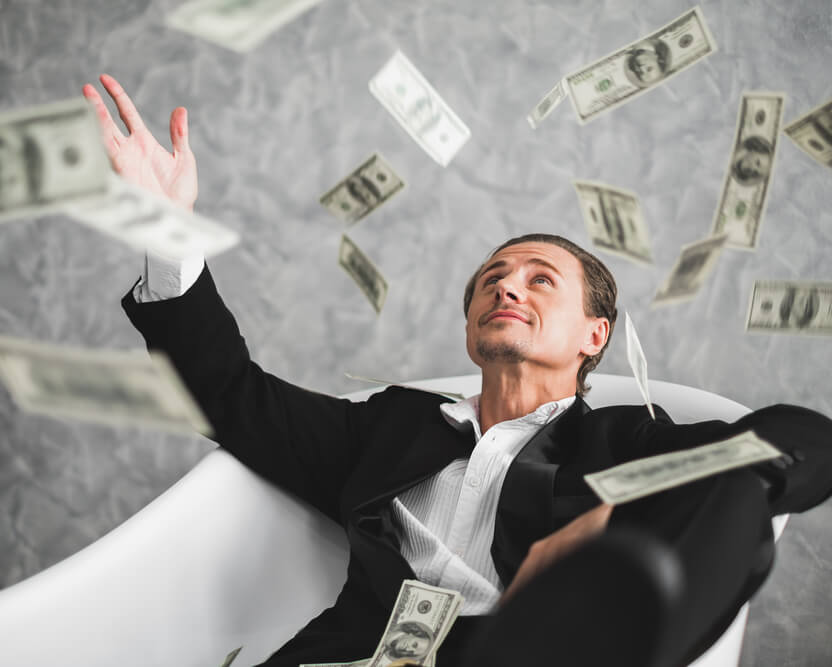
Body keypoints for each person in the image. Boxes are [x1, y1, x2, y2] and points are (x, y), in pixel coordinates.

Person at [82, 73, 832, 666]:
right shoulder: (384, 426)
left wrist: (617, 520)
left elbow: (809, 440)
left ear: (594, 333)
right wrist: (166, 230)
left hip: (538, 648)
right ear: (472, 324)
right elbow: (225, 393)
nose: (507, 285)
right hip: (352, 660)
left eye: (541, 279)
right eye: (493, 279)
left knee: (738, 477)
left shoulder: (624, 444)